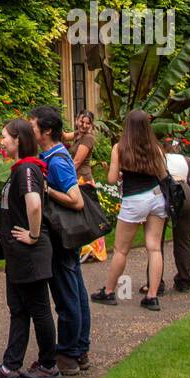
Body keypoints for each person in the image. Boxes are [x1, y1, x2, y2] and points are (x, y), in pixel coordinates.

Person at [0, 118, 60, 378]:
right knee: (19, 309)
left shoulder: (26, 169)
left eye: (5, 137)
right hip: (19, 255)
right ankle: (10, 366)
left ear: (18, 140)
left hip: (29, 254)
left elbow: (35, 205)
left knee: (38, 308)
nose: (1, 141)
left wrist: (33, 235)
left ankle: (49, 365)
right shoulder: (24, 168)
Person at [29, 106, 90, 375]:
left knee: (67, 295)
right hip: (64, 237)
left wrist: (47, 190)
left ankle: (68, 354)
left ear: (46, 130)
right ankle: (79, 350)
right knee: (75, 290)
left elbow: (76, 201)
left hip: (63, 236)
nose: (30, 130)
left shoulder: (57, 160)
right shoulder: (52, 155)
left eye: (33, 126)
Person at [91, 109, 166, 310]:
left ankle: (108, 291)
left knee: (121, 250)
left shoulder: (120, 148)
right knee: (155, 247)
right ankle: (152, 296)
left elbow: (111, 179)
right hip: (157, 197)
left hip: (134, 199)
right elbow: (162, 174)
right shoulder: (155, 148)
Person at [140, 139, 190, 296]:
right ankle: (184, 281)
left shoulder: (159, 158)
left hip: (166, 193)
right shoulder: (187, 160)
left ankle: (156, 284)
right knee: (183, 239)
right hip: (185, 193)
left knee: (156, 241)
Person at [69, 110, 107, 264]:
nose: (84, 125)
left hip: (82, 180)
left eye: (87, 123)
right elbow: (65, 135)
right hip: (78, 179)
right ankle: (86, 249)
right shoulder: (78, 134)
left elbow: (77, 161)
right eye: (81, 121)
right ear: (77, 120)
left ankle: (90, 249)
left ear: (91, 125)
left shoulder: (88, 139)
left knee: (86, 217)